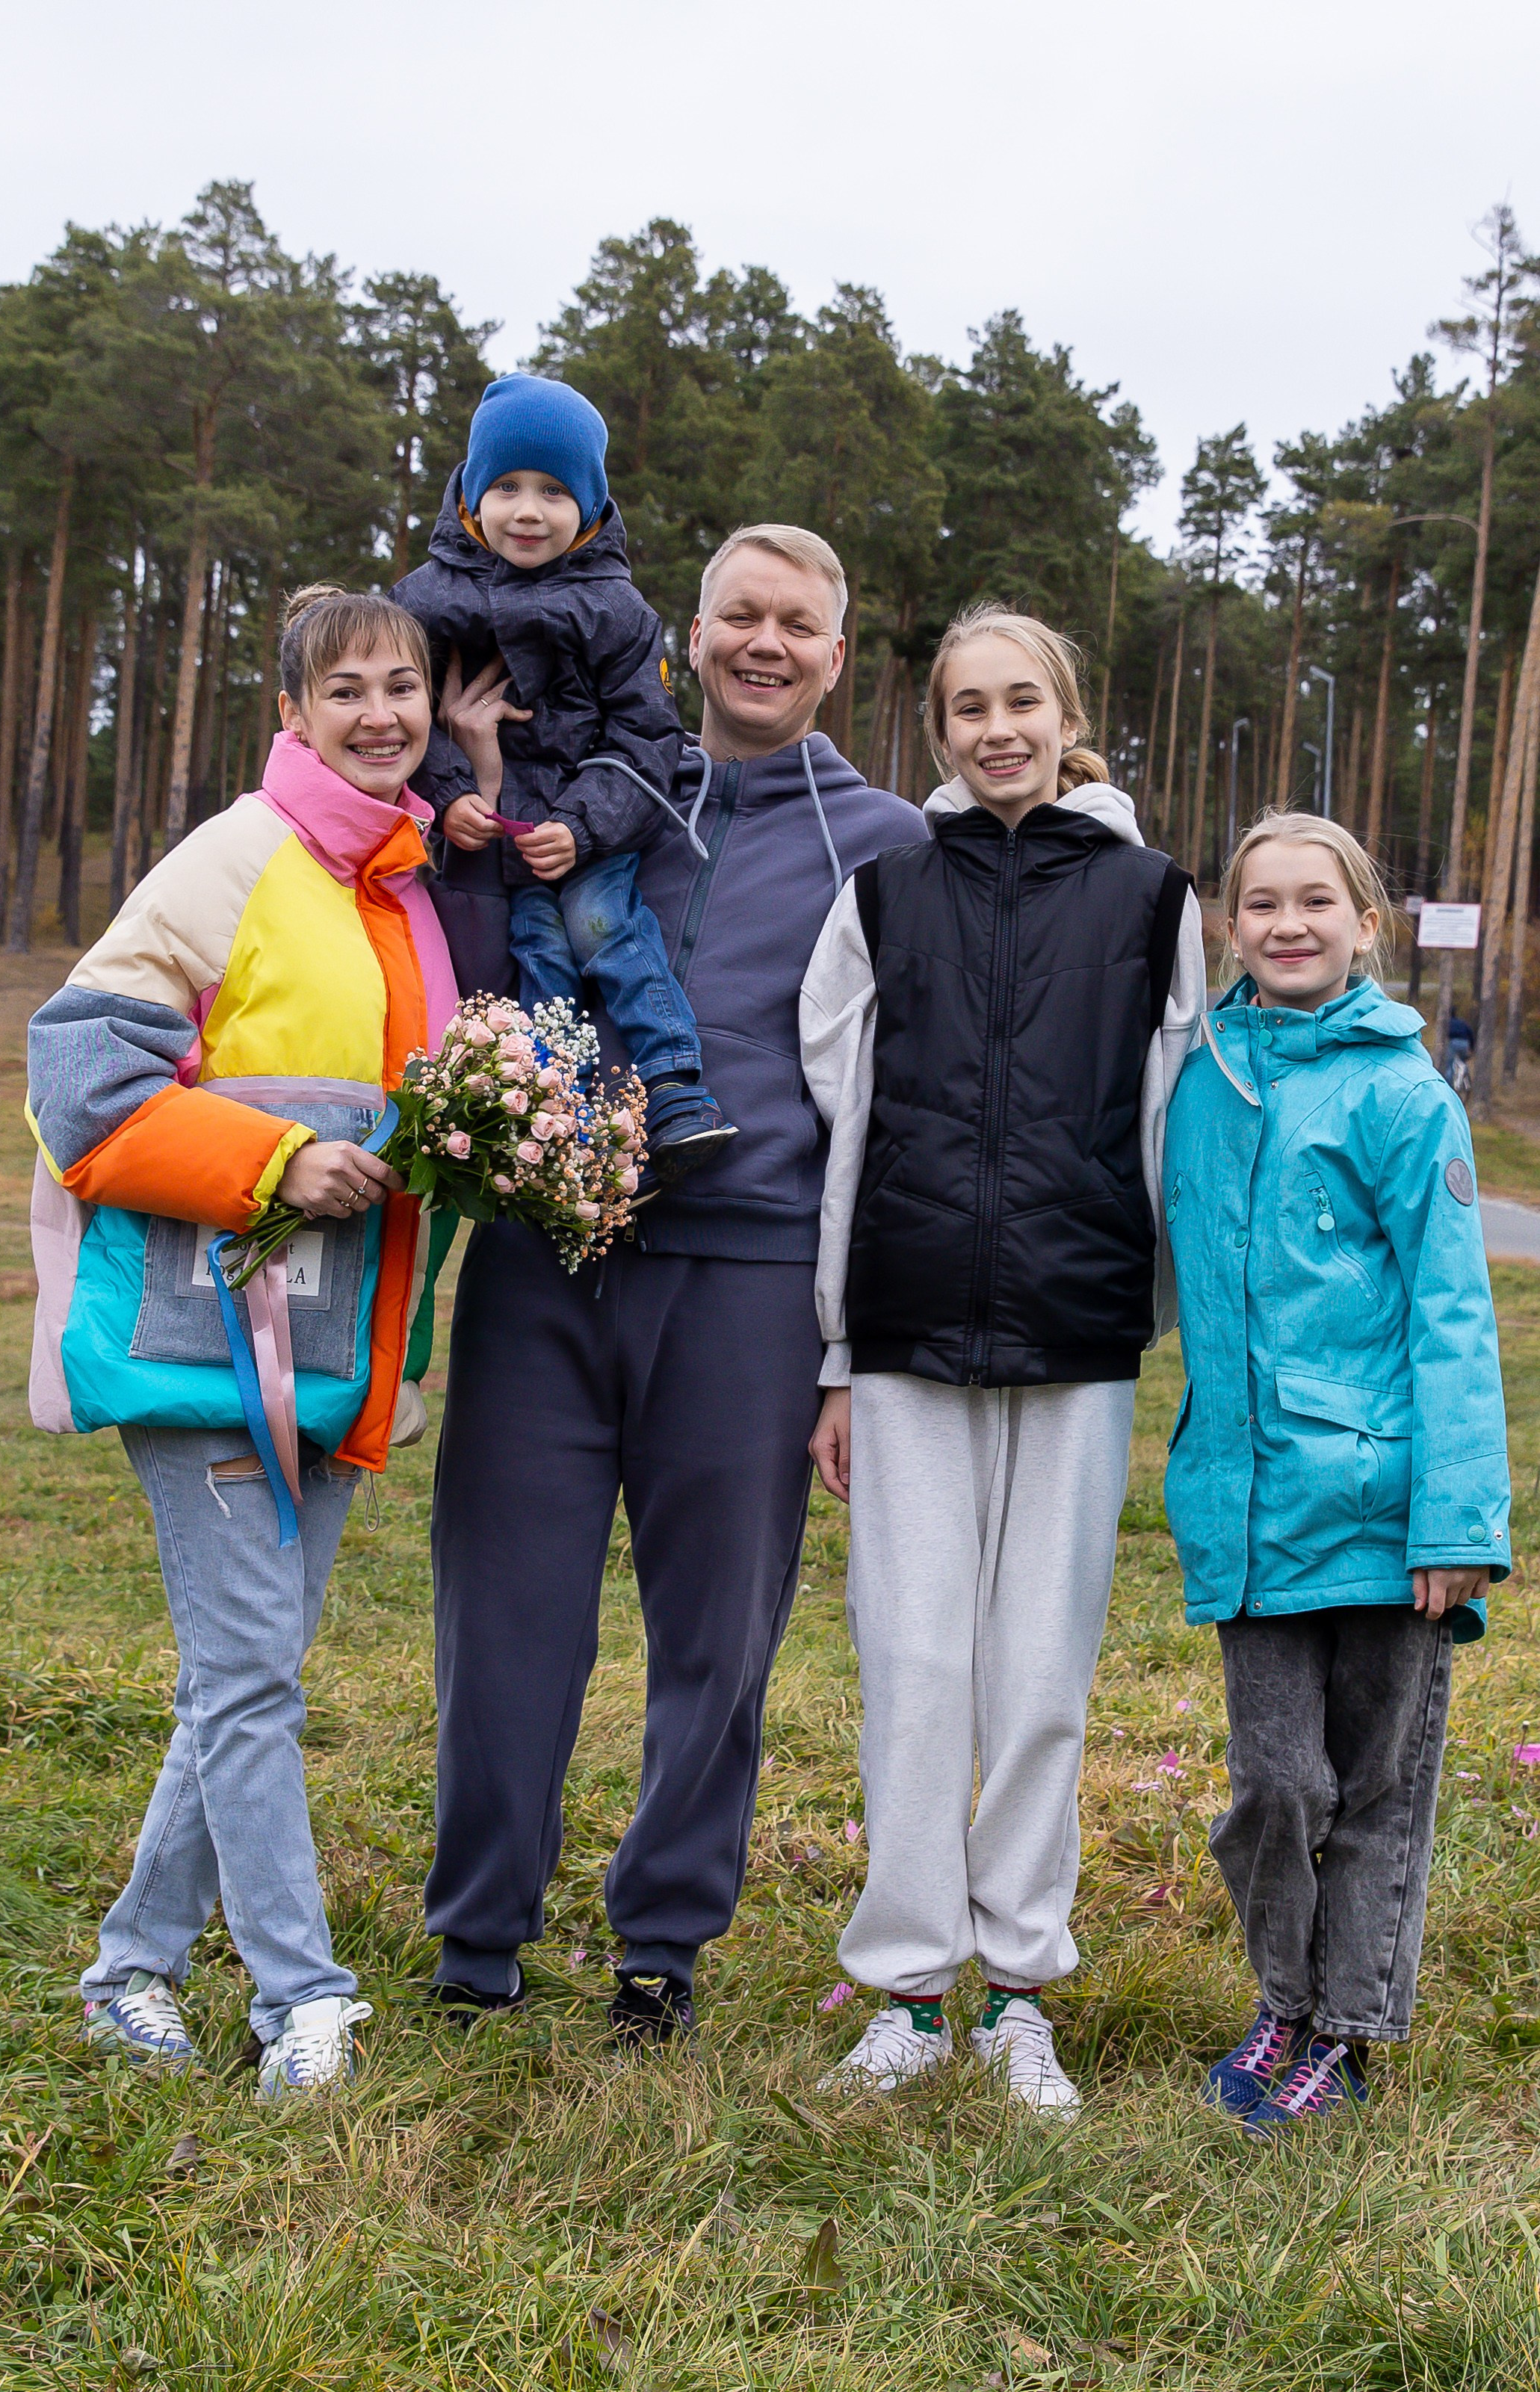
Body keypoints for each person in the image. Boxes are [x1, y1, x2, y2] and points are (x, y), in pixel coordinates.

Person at [423, 524, 918, 2042]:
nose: (764, 644)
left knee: (716, 1631)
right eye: (737, 617)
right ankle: (479, 1936)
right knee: (502, 1610)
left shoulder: (890, 842)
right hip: (543, 1259)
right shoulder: (594, 788)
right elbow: (468, 946)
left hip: (751, 1279)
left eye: (798, 624)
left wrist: (858, 1341)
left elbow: (914, 1093)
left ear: (837, 656)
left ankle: (662, 1943)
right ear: (687, 638)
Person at [25, 588, 460, 2100]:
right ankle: (302, 1994)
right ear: (291, 713)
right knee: (253, 1676)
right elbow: (78, 1080)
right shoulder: (237, 855)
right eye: (345, 690)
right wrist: (271, 1168)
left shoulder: (401, 884)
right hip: (199, 1333)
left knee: (244, 1672)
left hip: (337, 1345)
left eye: (401, 686)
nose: (379, 714)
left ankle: (132, 1967)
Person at [802, 603, 1205, 2105]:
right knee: (913, 1662)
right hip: (906, 1326)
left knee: (1038, 1670)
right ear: (940, 729)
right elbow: (843, 1127)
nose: (995, 727)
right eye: (967, 705)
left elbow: (1176, 1115)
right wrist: (838, 1353)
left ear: (1064, 709)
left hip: (1079, 1332)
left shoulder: (1152, 896)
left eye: (1020, 699)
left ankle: (1020, 1982)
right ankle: (907, 1989)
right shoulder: (884, 892)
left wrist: (1161, 1319)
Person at [1164, 812, 1508, 2137]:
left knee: (1372, 1788)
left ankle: (1344, 2030)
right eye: (1260, 904)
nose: (1286, 924)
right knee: (1274, 1784)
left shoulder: (1400, 1094)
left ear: (1366, 923)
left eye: (1315, 901)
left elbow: (1450, 1314)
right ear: (1227, 925)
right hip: (1249, 1512)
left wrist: (1455, 1517)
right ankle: (1284, 1995)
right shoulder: (1203, 1078)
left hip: (1383, 1515)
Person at [394, 371, 734, 1184]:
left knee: (602, 929)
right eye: (505, 486)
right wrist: (450, 796)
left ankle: (676, 1086)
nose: (527, 510)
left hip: (584, 830)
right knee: (537, 954)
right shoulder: (423, 602)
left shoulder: (616, 609)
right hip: (497, 834)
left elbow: (649, 734)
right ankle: (561, 1118)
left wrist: (583, 826)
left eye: (553, 490)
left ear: (589, 505)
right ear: (471, 497)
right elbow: (409, 710)